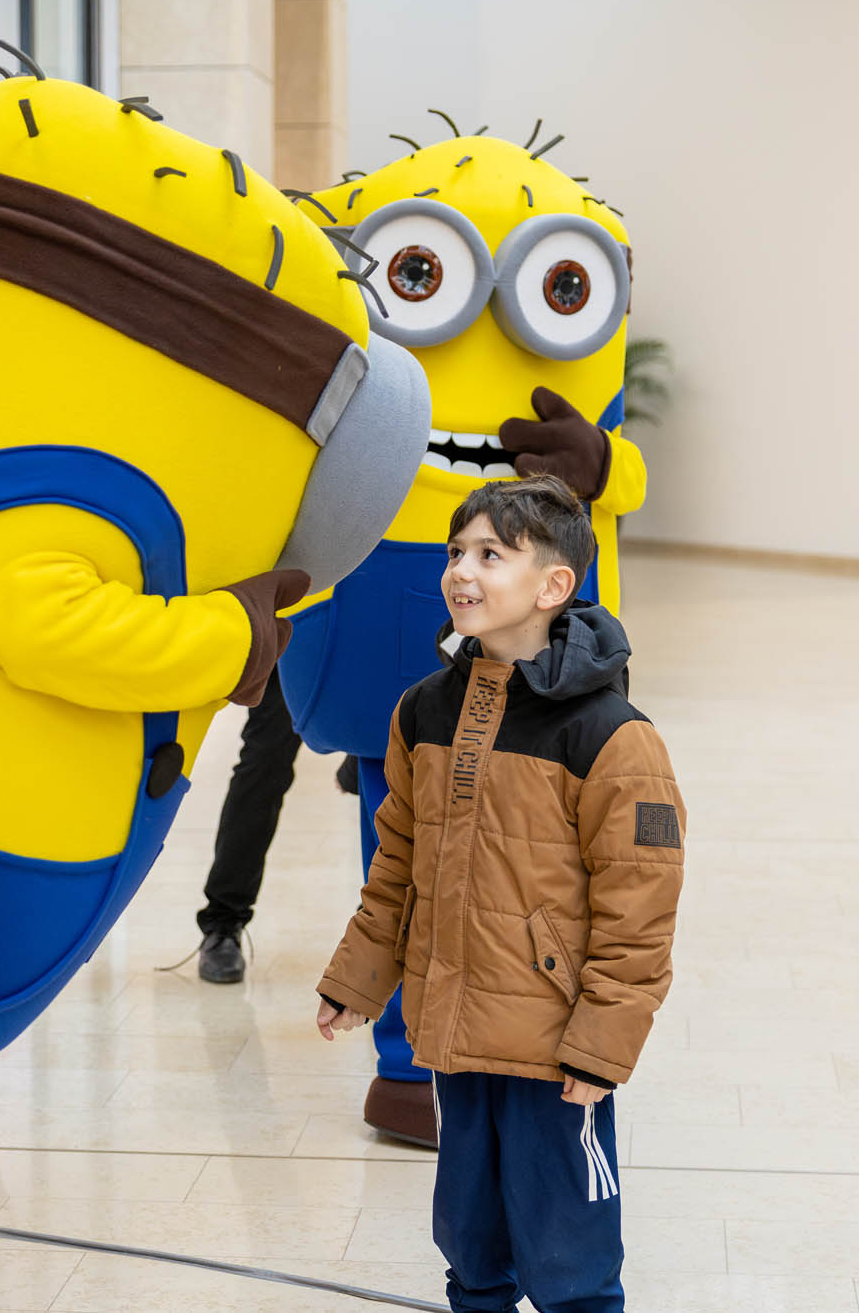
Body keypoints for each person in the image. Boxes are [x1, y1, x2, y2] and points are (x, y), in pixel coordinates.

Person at [314, 475, 685, 1313]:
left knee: (568, 1258)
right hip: (455, 1027)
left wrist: (603, 1041)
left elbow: (641, 907)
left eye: (490, 554)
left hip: (555, 1045)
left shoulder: (612, 735)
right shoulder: (422, 712)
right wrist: (358, 978)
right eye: (456, 552)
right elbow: (397, 861)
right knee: (471, 1241)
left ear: (554, 585)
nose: (461, 570)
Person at [192, 674, 358, 984]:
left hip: (387, 647)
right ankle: (223, 921)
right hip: (296, 646)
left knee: (390, 754)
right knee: (265, 761)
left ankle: (389, 925)